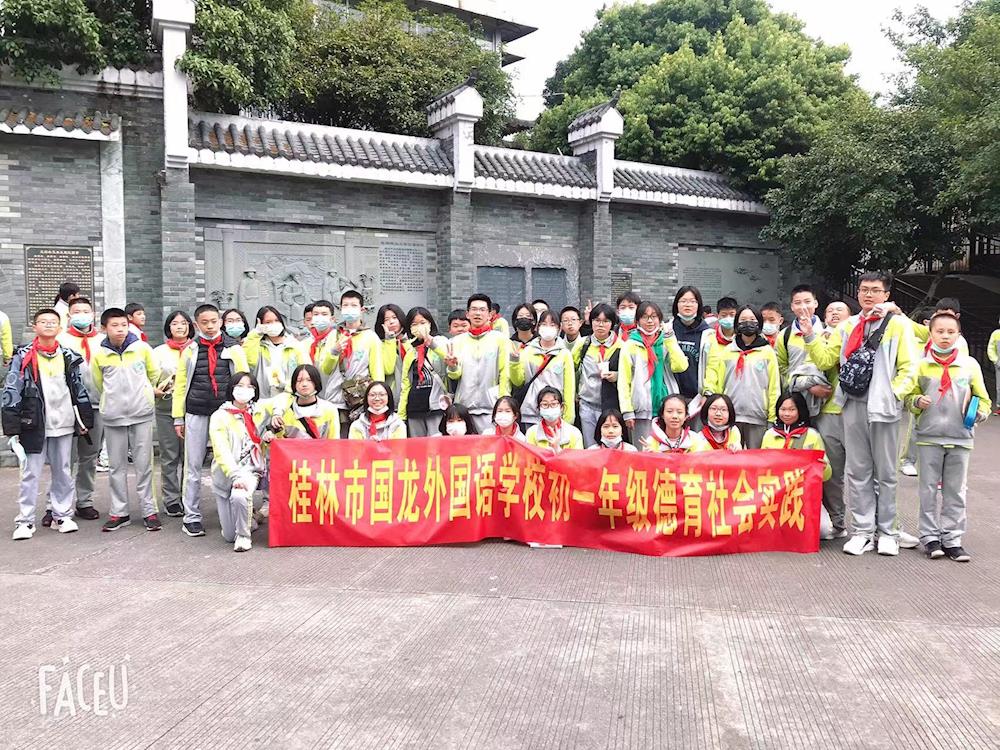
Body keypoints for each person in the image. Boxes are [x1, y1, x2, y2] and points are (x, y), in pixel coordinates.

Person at [801, 271, 918, 557]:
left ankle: (887, 531)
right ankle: (863, 530)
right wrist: (809, 335)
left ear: (886, 294)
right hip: (851, 404)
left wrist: (894, 393)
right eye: (864, 289)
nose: (868, 294)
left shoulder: (898, 325)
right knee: (858, 471)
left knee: (886, 472)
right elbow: (827, 358)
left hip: (884, 409)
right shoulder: (849, 325)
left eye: (875, 290)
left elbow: (910, 366)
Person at [5, 309, 94, 539]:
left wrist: (83, 418)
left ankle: (62, 515)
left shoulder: (68, 356)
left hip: (63, 421)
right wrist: (12, 425)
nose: (47, 325)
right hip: (33, 423)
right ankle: (25, 520)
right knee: (30, 472)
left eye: (52, 322)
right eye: (43, 321)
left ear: (60, 327)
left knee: (63, 470)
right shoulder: (23, 356)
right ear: (34, 326)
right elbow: (12, 390)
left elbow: (78, 390)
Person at [908, 312, 990, 562]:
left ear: (958, 334)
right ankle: (930, 538)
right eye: (940, 331)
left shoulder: (970, 365)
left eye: (950, 332)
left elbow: (984, 399)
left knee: (956, 491)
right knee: (928, 490)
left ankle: (953, 539)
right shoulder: (920, 365)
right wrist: (916, 402)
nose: (945, 336)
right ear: (930, 334)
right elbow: (908, 397)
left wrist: (980, 414)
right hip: (928, 437)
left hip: (960, 437)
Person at [173, 303, 249, 538]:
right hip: (196, 411)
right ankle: (192, 516)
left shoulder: (234, 349)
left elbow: (244, 380)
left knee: (230, 460)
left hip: (226, 413)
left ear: (221, 322)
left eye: (213, 321)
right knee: (193, 466)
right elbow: (180, 385)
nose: (209, 326)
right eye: (204, 322)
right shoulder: (191, 349)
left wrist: (245, 410)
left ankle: (233, 512)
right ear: (196, 324)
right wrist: (178, 417)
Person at [778, 285, 845, 539]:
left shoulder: (830, 334)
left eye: (807, 301)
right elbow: (782, 370)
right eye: (797, 302)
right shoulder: (785, 336)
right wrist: (806, 385)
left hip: (827, 409)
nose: (802, 306)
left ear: (816, 304)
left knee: (829, 467)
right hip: (795, 409)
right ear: (792, 306)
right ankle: (796, 516)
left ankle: (836, 520)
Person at [91, 308, 161, 532]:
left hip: (141, 413)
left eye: (123, 325)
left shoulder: (141, 348)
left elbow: (154, 374)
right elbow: (98, 382)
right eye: (114, 325)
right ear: (104, 328)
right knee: (116, 466)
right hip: (113, 416)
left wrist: (145, 395)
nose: (120, 329)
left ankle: (149, 510)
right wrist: (112, 402)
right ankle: (119, 512)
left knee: (144, 465)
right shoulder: (99, 353)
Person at [52, 296, 103, 523]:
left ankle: (84, 501)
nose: (82, 315)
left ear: (93, 314)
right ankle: (55, 504)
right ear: (69, 316)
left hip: (96, 405)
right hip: (67, 406)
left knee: (89, 456)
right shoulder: (59, 340)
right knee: (63, 458)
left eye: (86, 311)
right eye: (77, 311)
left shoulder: (102, 340)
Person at [704, 305, 779, 449]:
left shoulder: (767, 352)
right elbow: (720, 384)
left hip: (758, 416)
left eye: (752, 319)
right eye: (743, 320)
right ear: (737, 323)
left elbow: (774, 387)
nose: (748, 323)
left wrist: (772, 416)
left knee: (756, 460)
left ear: (759, 323)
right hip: (730, 416)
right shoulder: (727, 351)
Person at [209, 373, 269, 552]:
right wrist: (234, 475)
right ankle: (248, 519)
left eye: (250, 387)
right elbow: (221, 450)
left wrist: (274, 424)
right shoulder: (220, 416)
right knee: (228, 535)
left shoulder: (258, 412)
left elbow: (283, 400)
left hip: (249, 470)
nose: (245, 390)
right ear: (231, 388)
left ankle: (244, 536)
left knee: (240, 495)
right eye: (240, 386)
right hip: (225, 475)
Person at [618, 301, 689, 446]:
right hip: (641, 409)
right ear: (637, 321)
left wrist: (670, 339)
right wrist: (627, 411)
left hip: (667, 409)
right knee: (643, 454)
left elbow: (680, 366)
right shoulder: (630, 345)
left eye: (654, 316)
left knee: (667, 452)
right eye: (645, 317)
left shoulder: (666, 341)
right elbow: (624, 381)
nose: (650, 321)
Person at [318, 291, 383, 436]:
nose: (349, 308)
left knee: (358, 440)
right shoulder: (333, 335)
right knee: (336, 441)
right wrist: (334, 351)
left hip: (359, 400)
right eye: (345, 305)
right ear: (340, 309)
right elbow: (326, 369)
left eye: (353, 305)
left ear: (362, 309)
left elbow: (377, 371)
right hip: (335, 398)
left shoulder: (371, 337)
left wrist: (377, 397)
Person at [445, 294, 510, 434]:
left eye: (482, 310)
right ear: (468, 314)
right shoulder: (457, 341)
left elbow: (505, 372)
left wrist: (503, 402)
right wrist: (452, 366)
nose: (478, 313)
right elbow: (455, 375)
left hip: (491, 407)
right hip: (464, 408)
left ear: (489, 314)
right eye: (474, 309)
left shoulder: (500, 340)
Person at [152, 310, 193, 517]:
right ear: (168, 327)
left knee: (190, 457)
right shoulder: (158, 352)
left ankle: (188, 497)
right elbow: (149, 378)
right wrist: (155, 390)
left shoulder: (195, 349)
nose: (179, 327)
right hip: (165, 409)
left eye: (184, 323)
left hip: (192, 410)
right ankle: (171, 499)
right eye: (175, 323)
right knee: (169, 456)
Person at [511, 309, 575, 430]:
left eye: (552, 325)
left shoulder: (564, 354)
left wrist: (568, 417)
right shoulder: (527, 351)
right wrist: (513, 362)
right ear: (538, 327)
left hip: (555, 412)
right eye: (544, 324)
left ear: (559, 328)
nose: (548, 328)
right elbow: (518, 381)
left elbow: (569, 387)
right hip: (530, 411)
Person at [576, 304, 624, 447]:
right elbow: (571, 368)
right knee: (590, 446)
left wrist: (616, 376)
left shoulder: (622, 346)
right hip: (587, 404)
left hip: (611, 407)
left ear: (612, 323)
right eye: (597, 320)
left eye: (605, 321)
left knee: (611, 446)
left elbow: (630, 374)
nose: (601, 325)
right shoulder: (583, 344)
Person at [398, 308, 450, 437]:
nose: (419, 327)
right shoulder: (411, 351)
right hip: (414, 408)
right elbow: (406, 385)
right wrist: (401, 414)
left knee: (436, 448)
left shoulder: (441, 342)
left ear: (430, 323)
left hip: (436, 407)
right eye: (414, 324)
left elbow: (450, 361)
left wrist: (432, 345)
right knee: (417, 449)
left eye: (422, 322)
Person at [760, 392, 832, 480]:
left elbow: (826, 476)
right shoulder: (770, 435)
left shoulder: (812, 435)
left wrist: (824, 468)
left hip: (802, 488)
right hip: (776, 489)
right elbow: (762, 469)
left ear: (800, 410)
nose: (787, 414)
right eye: (783, 409)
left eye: (792, 409)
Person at [241, 305, 303, 399]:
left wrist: (289, 390)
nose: (273, 324)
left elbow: (304, 372)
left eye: (276, 320)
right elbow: (248, 363)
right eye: (268, 322)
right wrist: (256, 334)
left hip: (290, 398)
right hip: (263, 399)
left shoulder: (294, 345)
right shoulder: (257, 344)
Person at [263, 364, 340, 439]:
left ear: (316, 382)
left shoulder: (329, 409)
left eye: (309, 380)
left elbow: (334, 441)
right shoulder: (284, 411)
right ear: (294, 384)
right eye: (299, 380)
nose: (304, 384)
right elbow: (280, 444)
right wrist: (270, 439)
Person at [671, 286, 712, 399]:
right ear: (676, 305)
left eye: (692, 301)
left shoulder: (708, 334)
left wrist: (707, 393)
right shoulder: (667, 330)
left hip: (698, 397)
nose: (687, 305)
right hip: (671, 395)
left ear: (699, 305)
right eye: (683, 301)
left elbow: (711, 366)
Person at [524, 387, 583, 452]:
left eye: (554, 404)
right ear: (539, 408)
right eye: (545, 404)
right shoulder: (531, 433)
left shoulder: (574, 433)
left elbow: (577, 460)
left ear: (561, 407)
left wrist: (557, 449)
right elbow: (530, 459)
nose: (549, 408)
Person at [375, 303, 409, 402]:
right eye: (386, 320)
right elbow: (388, 369)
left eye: (394, 317)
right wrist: (389, 339)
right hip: (393, 398)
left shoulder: (411, 342)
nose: (391, 322)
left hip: (413, 397)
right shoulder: (380, 345)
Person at [989, 317, 1000, 414]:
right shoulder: (996, 334)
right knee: (999, 386)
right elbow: (991, 348)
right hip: (999, 364)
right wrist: (996, 361)